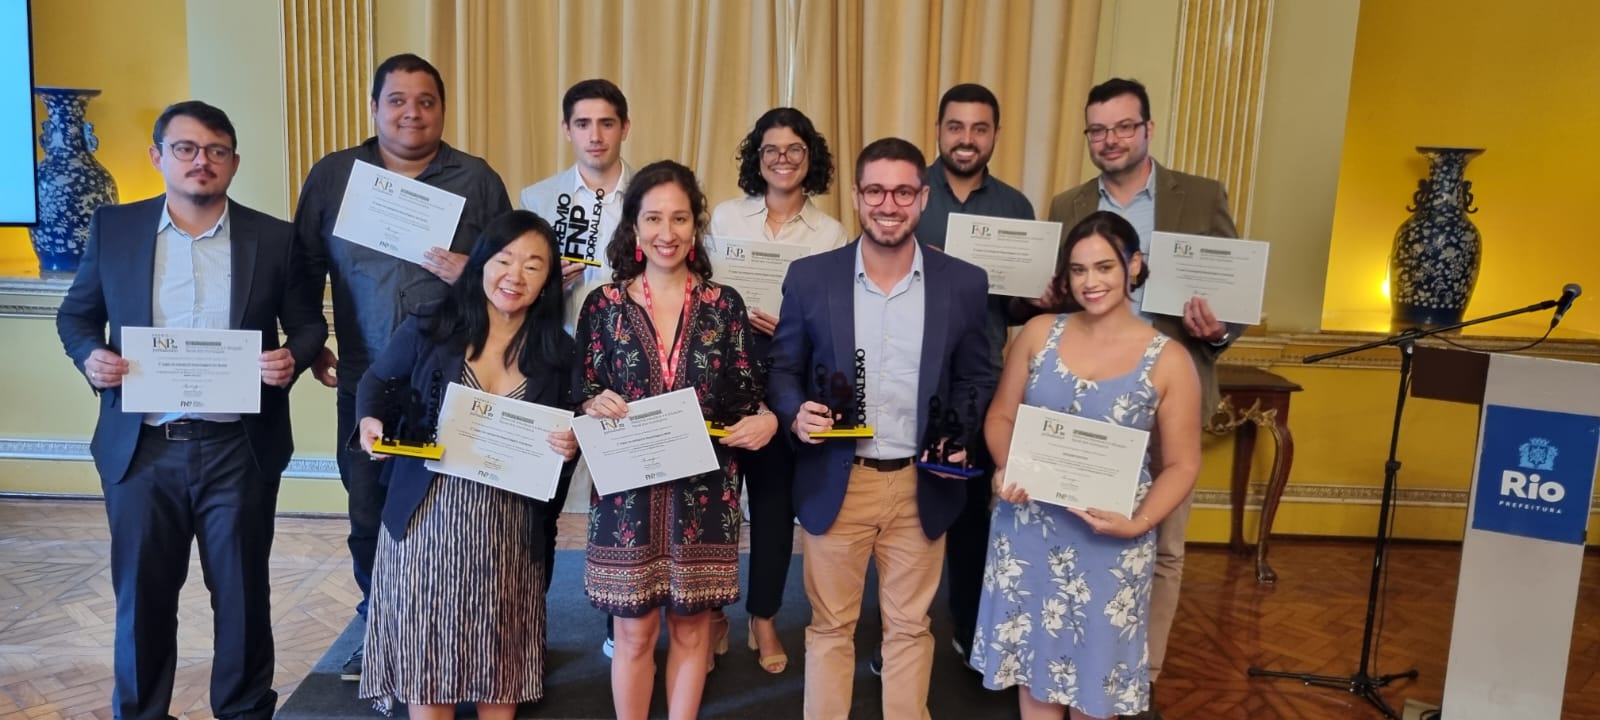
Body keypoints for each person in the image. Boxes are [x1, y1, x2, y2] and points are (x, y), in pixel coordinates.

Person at [55, 100, 328, 719]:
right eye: (186, 148)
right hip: (142, 447)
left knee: (241, 594)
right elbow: (76, 315)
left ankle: (243, 710)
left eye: (216, 150)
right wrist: (91, 357)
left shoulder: (273, 237)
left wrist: (291, 357)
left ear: (234, 162)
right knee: (142, 596)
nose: (201, 160)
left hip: (237, 448)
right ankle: (142, 712)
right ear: (158, 156)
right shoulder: (115, 228)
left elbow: (309, 324)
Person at [292, 52, 513, 679]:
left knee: (460, 514)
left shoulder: (476, 179)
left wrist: (473, 269)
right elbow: (302, 268)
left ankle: (465, 635)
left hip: (457, 381)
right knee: (369, 510)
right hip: (365, 376)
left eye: (426, 101)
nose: (411, 112)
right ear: (374, 107)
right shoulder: (336, 176)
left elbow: (515, 270)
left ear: (442, 109)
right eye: (397, 100)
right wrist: (310, 341)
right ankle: (380, 627)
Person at [767, 137, 997, 720]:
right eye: (875, 191)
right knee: (830, 626)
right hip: (838, 479)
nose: (888, 205)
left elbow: (978, 375)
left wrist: (959, 431)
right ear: (855, 196)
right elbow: (783, 369)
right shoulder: (811, 277)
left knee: (910, 627)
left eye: (901, 192)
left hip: (923, 483)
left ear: (923, 197)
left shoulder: (963, 282)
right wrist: (795, 411)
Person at [1042, 77, 1240, 719]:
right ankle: (1074, 654)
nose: (1111, 140)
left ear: (1148, 129)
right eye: (1098, 130)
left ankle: (1139, 673)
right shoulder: (1068, 203)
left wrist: (1220, 329)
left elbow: (1232, 293)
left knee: (1163, 544)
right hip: (1089, 402)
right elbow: (1060, 295)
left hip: (1167, 394)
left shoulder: (1201, 197)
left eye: (1124, 127)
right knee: (1080, 532)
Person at [972, 211, 1201, 720]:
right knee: (1032, 675)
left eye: (1104, 267)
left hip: (1111, 539)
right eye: (1078, 270)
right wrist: (1009, 467)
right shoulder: (1038, 333)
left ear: (1134, 265)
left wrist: (1138, 523)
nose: (1089, 282)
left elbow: (1183, 464)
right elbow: (1001, 416)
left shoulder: (1169, 359)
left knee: (1096, 692)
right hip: (1028, 528)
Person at [352, 210, 578, 718]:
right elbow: (376, 382)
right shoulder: (433, 325)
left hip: (507, 529)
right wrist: (369, 422)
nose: (515, 275)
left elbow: (573, 426)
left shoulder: (559, 352)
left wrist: (571, 443)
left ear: (549, 280)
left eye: (533, 265)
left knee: (499, 670)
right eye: (504, 259)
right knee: (428, 669)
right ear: (481, 263)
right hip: (425, 522)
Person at [575, 160, 778, 720]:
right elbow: (582, 390)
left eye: (680, 218)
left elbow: (745, 395)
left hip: (705, 493)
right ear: (634, 227)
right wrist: (592, 403)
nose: (667, 232)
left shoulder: (723, 305)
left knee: (692, 630)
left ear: (696, 226)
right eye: (653, 218)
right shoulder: (603, 305)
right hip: (626, 497)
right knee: (633, 632)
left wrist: (765, 418)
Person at [706, 106, 848, 674]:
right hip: (720, 377)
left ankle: (762, 616)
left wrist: (790, 321)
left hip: (787, 378)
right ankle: (712, 612)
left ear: (810, 157)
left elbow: (833, 318)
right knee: (711, 505)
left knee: (771, 505)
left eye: (794, 149)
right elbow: (701, 292)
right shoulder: (725, 216)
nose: (783, 159)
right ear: (756, 157)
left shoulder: (830, 232)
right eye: (771, 150)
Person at [917, 83, 1036, 667]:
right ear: (939, 129)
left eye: (979, 128)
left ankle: (968, 629)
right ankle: (900, 634)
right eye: (956, 126)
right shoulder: (911, 193)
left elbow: (1014, 308)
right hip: (912, 378)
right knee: (904, 519)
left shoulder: (1017, 208)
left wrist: (1038, 300)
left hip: (983, 382)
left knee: (970, 519)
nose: (966, 139)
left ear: (995, 135)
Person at [521, 79, 634, 656]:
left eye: (606, 123)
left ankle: (622, 622)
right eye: (583, 124)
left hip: (629, 367)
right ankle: (526, 628)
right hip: (557, 365)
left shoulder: (649, 194)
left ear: (624, 128)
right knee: (538, 506)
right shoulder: (537, 199)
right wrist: (547, 284)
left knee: (626, 500)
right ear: (566, 129)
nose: (595, 135)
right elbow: (509, 286)